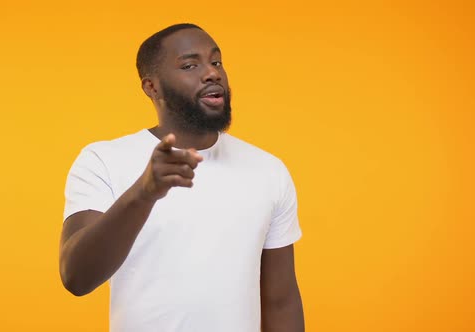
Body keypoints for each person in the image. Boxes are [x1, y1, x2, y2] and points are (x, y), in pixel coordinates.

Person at [59, 23, 304, 332]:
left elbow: (280, 300)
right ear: (152, 87)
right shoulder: (103, 160)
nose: (212, 73)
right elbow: (76, 277)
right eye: (190, 65)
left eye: (216, 62)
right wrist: (144, 193)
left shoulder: (268, 170)